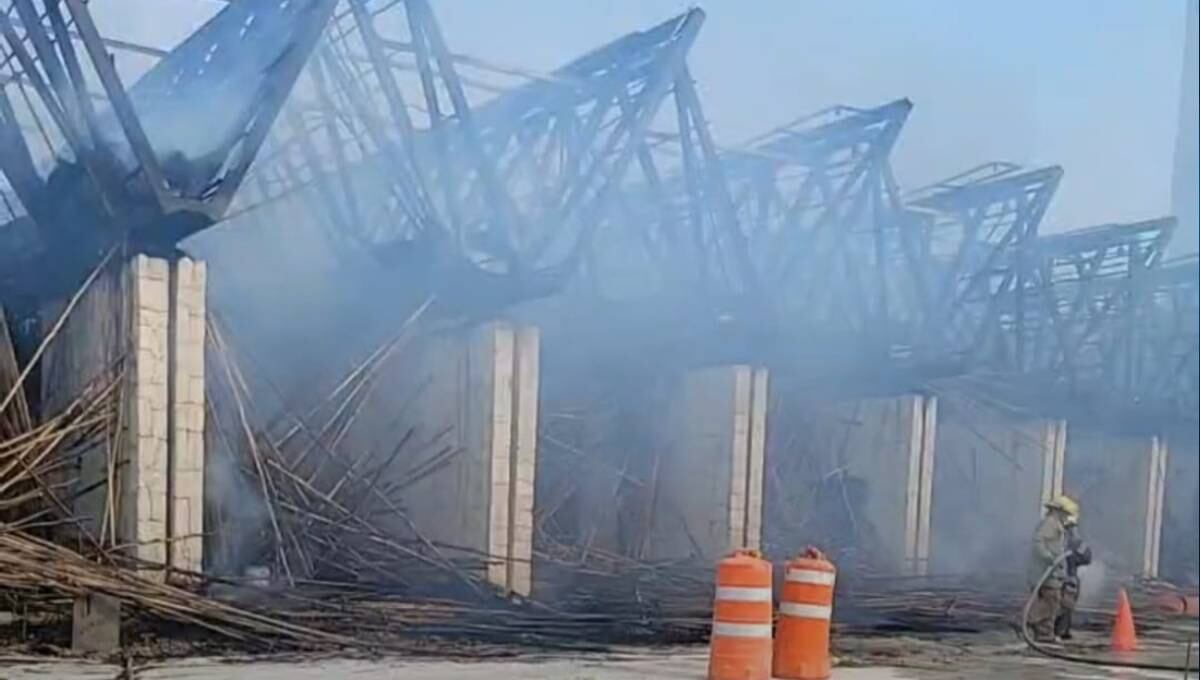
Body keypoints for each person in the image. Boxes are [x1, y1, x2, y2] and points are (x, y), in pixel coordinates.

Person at [1027, 495, 1080, 643]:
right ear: (1059, 511)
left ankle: (1045, 634)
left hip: (1051, 572)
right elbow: (1038, 542)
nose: (1067, 517)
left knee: (1054, 602)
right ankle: (1031, 619)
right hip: (1045, 572)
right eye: (1066, 514)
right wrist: (1049, 557)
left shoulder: (1056, 524)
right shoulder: (1050, 523)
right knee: (1051, 600)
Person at [1054, 515, 1092, 640]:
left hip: (1068, 579)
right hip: (1059, 577)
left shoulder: (1076, 542)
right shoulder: (1058, 539)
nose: (1071, 531)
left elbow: (1087, 558)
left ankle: (1060, 631)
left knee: (1066, 606)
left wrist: (1075, 555)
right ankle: (1057, 631)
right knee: (1059, 605)